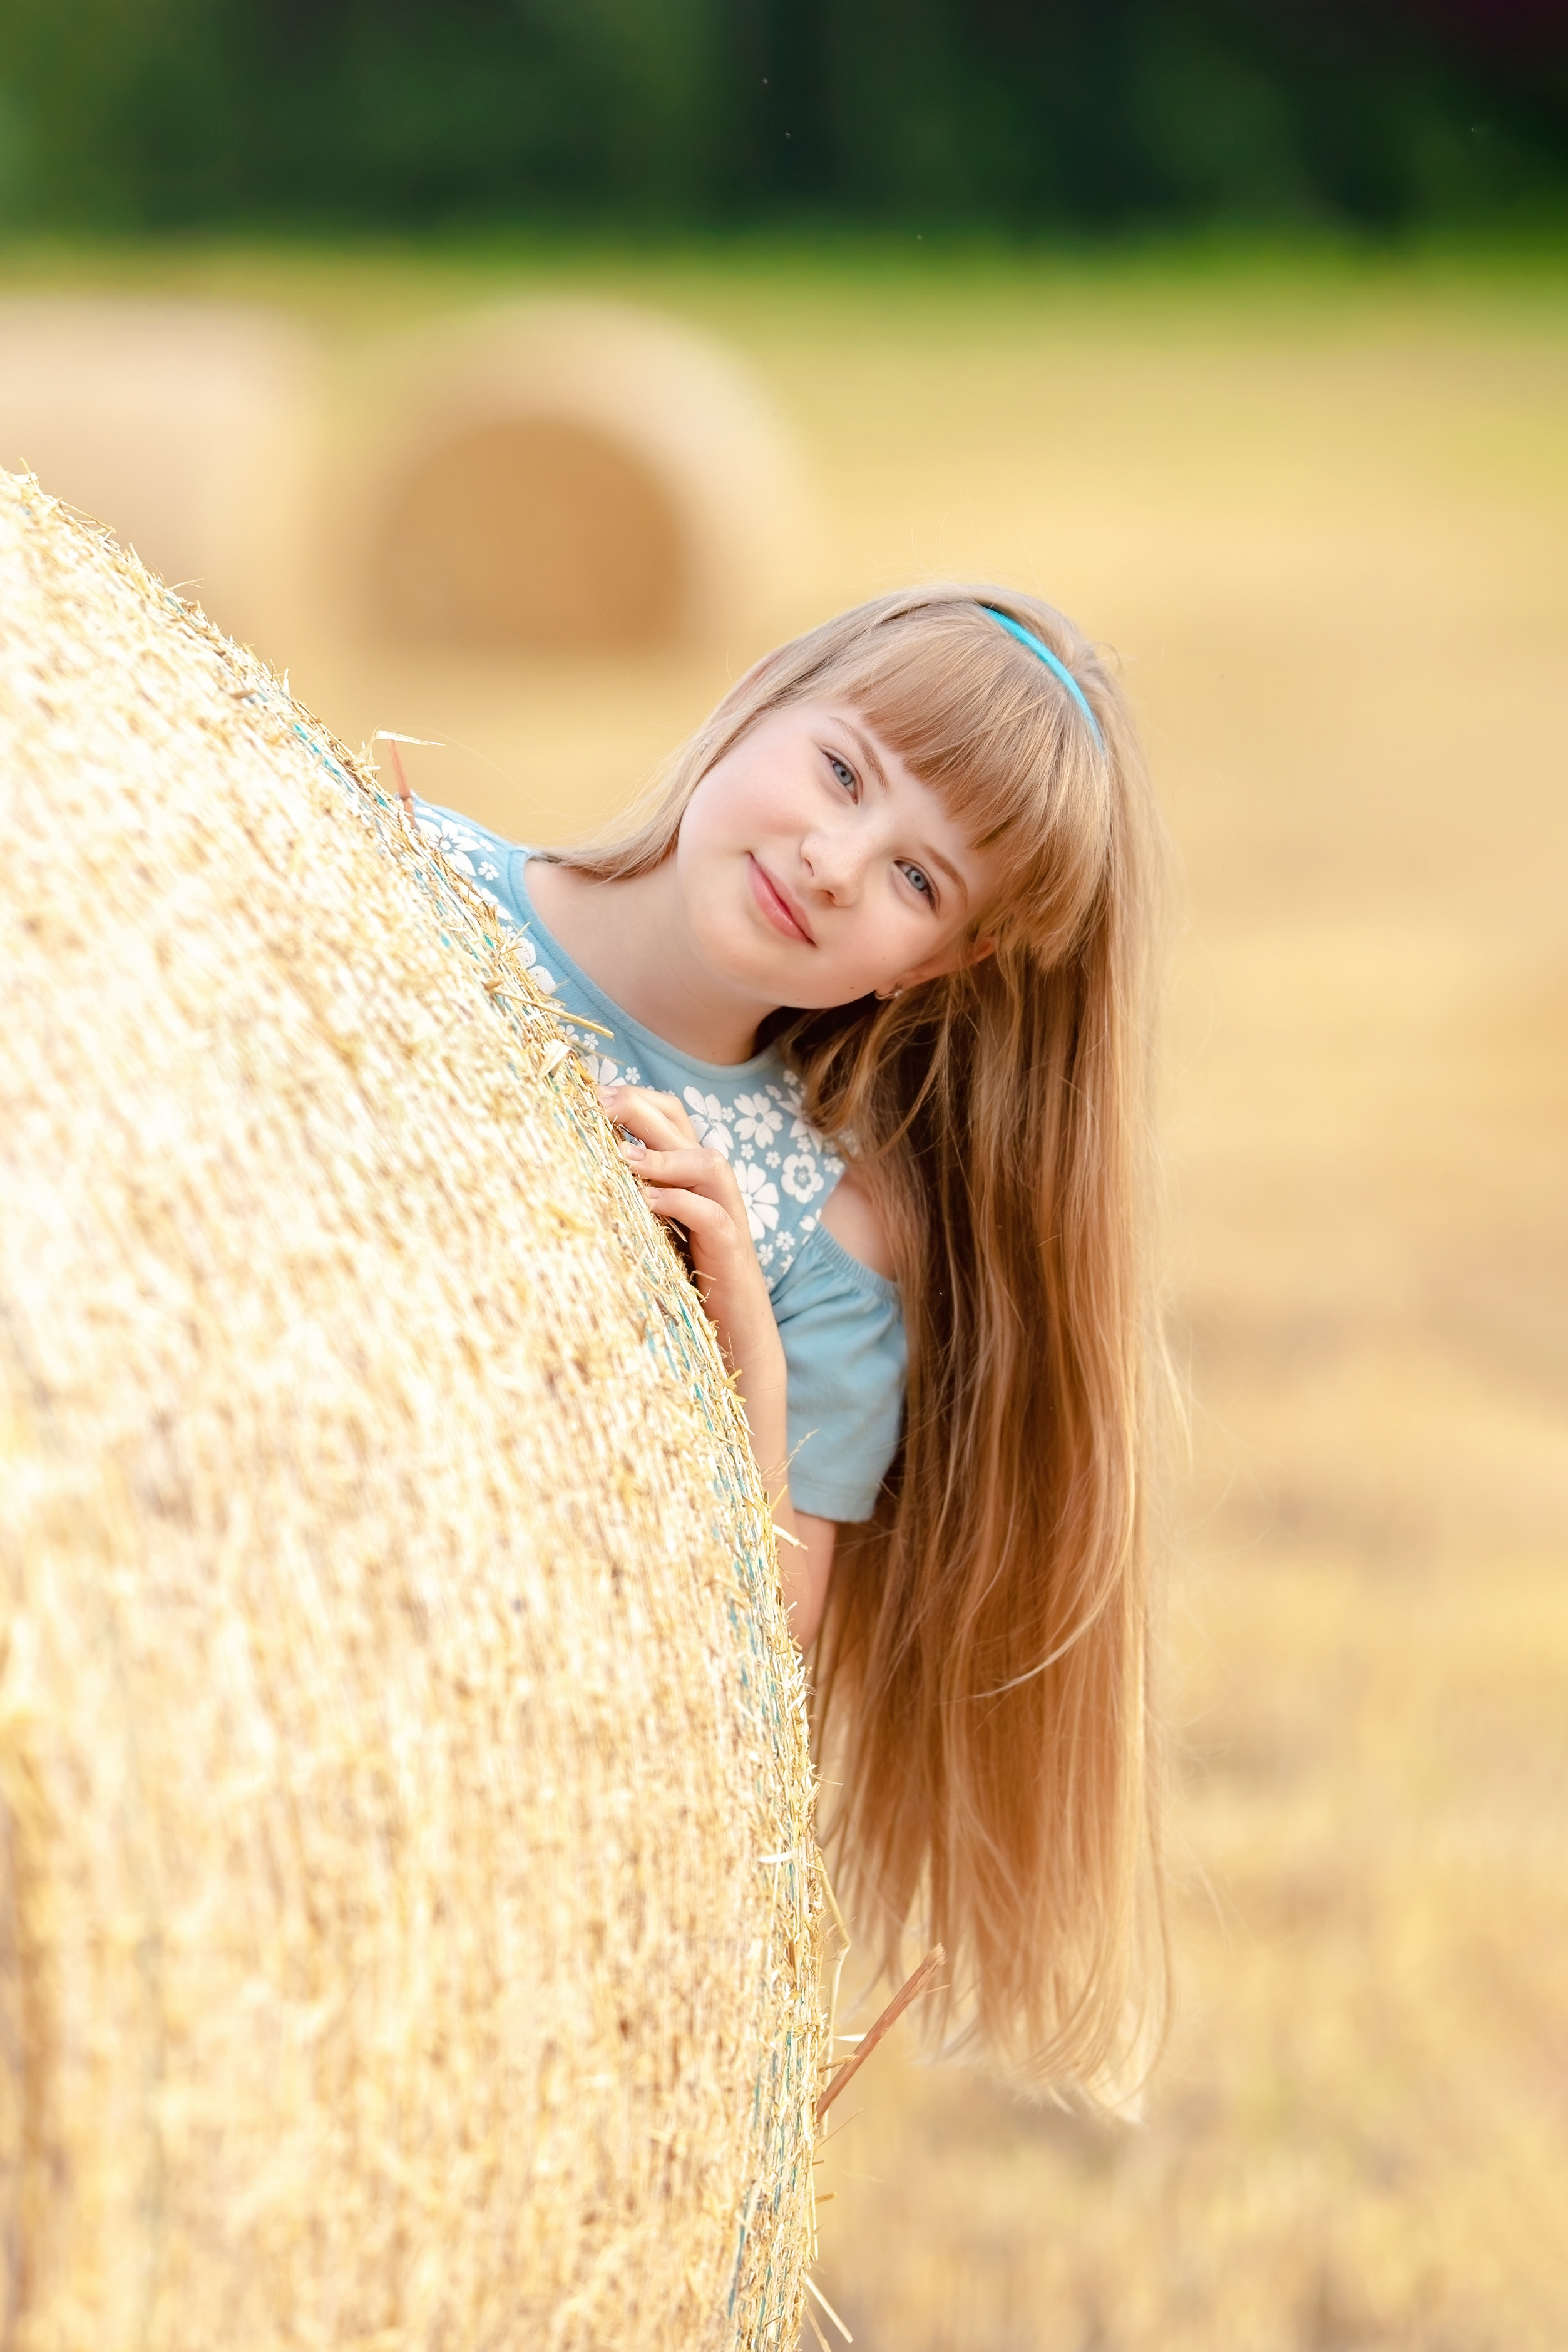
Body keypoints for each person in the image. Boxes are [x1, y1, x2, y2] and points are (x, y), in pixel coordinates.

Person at [415, 584, 1172, 2088]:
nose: (832, 864)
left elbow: (744, 1688)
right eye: (840, 772)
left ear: (932, 968)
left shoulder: (819, 1246)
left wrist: (742, 1339)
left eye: (914, 876)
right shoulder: (394, 872)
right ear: (758, 694)